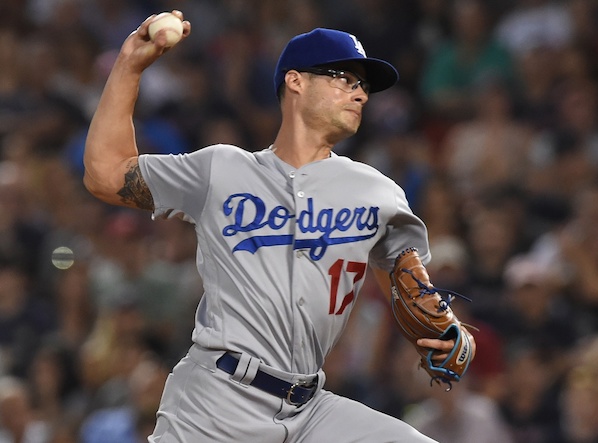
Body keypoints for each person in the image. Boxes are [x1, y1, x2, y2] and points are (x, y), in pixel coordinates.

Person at [83, 10, 475, 442]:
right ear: (295, 81)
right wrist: (129, 66)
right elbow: (105, 174)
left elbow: (408, 290)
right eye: (344, 78)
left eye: (363, 85)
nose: (359, 92)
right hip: (215, 401)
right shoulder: (222, 169)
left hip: (311, 409)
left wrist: (445, 334)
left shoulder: (376, 191)